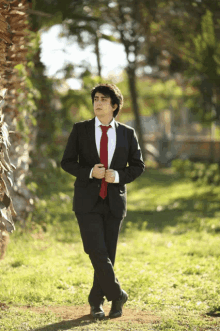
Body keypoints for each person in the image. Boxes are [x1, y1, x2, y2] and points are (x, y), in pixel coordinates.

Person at [61, 83, 145, 320]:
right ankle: (118, 294)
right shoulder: (81, 129)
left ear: (114, 105)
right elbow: (67, 162)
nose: (97, 102)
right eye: (96, 98)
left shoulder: (128, 133)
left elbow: (138, 166)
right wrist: (90, 172)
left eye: (103, 99)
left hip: (114, 202)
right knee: (96, 250)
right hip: (87, 201)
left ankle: (98, 303)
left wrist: (118, 176)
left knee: (107, 254)